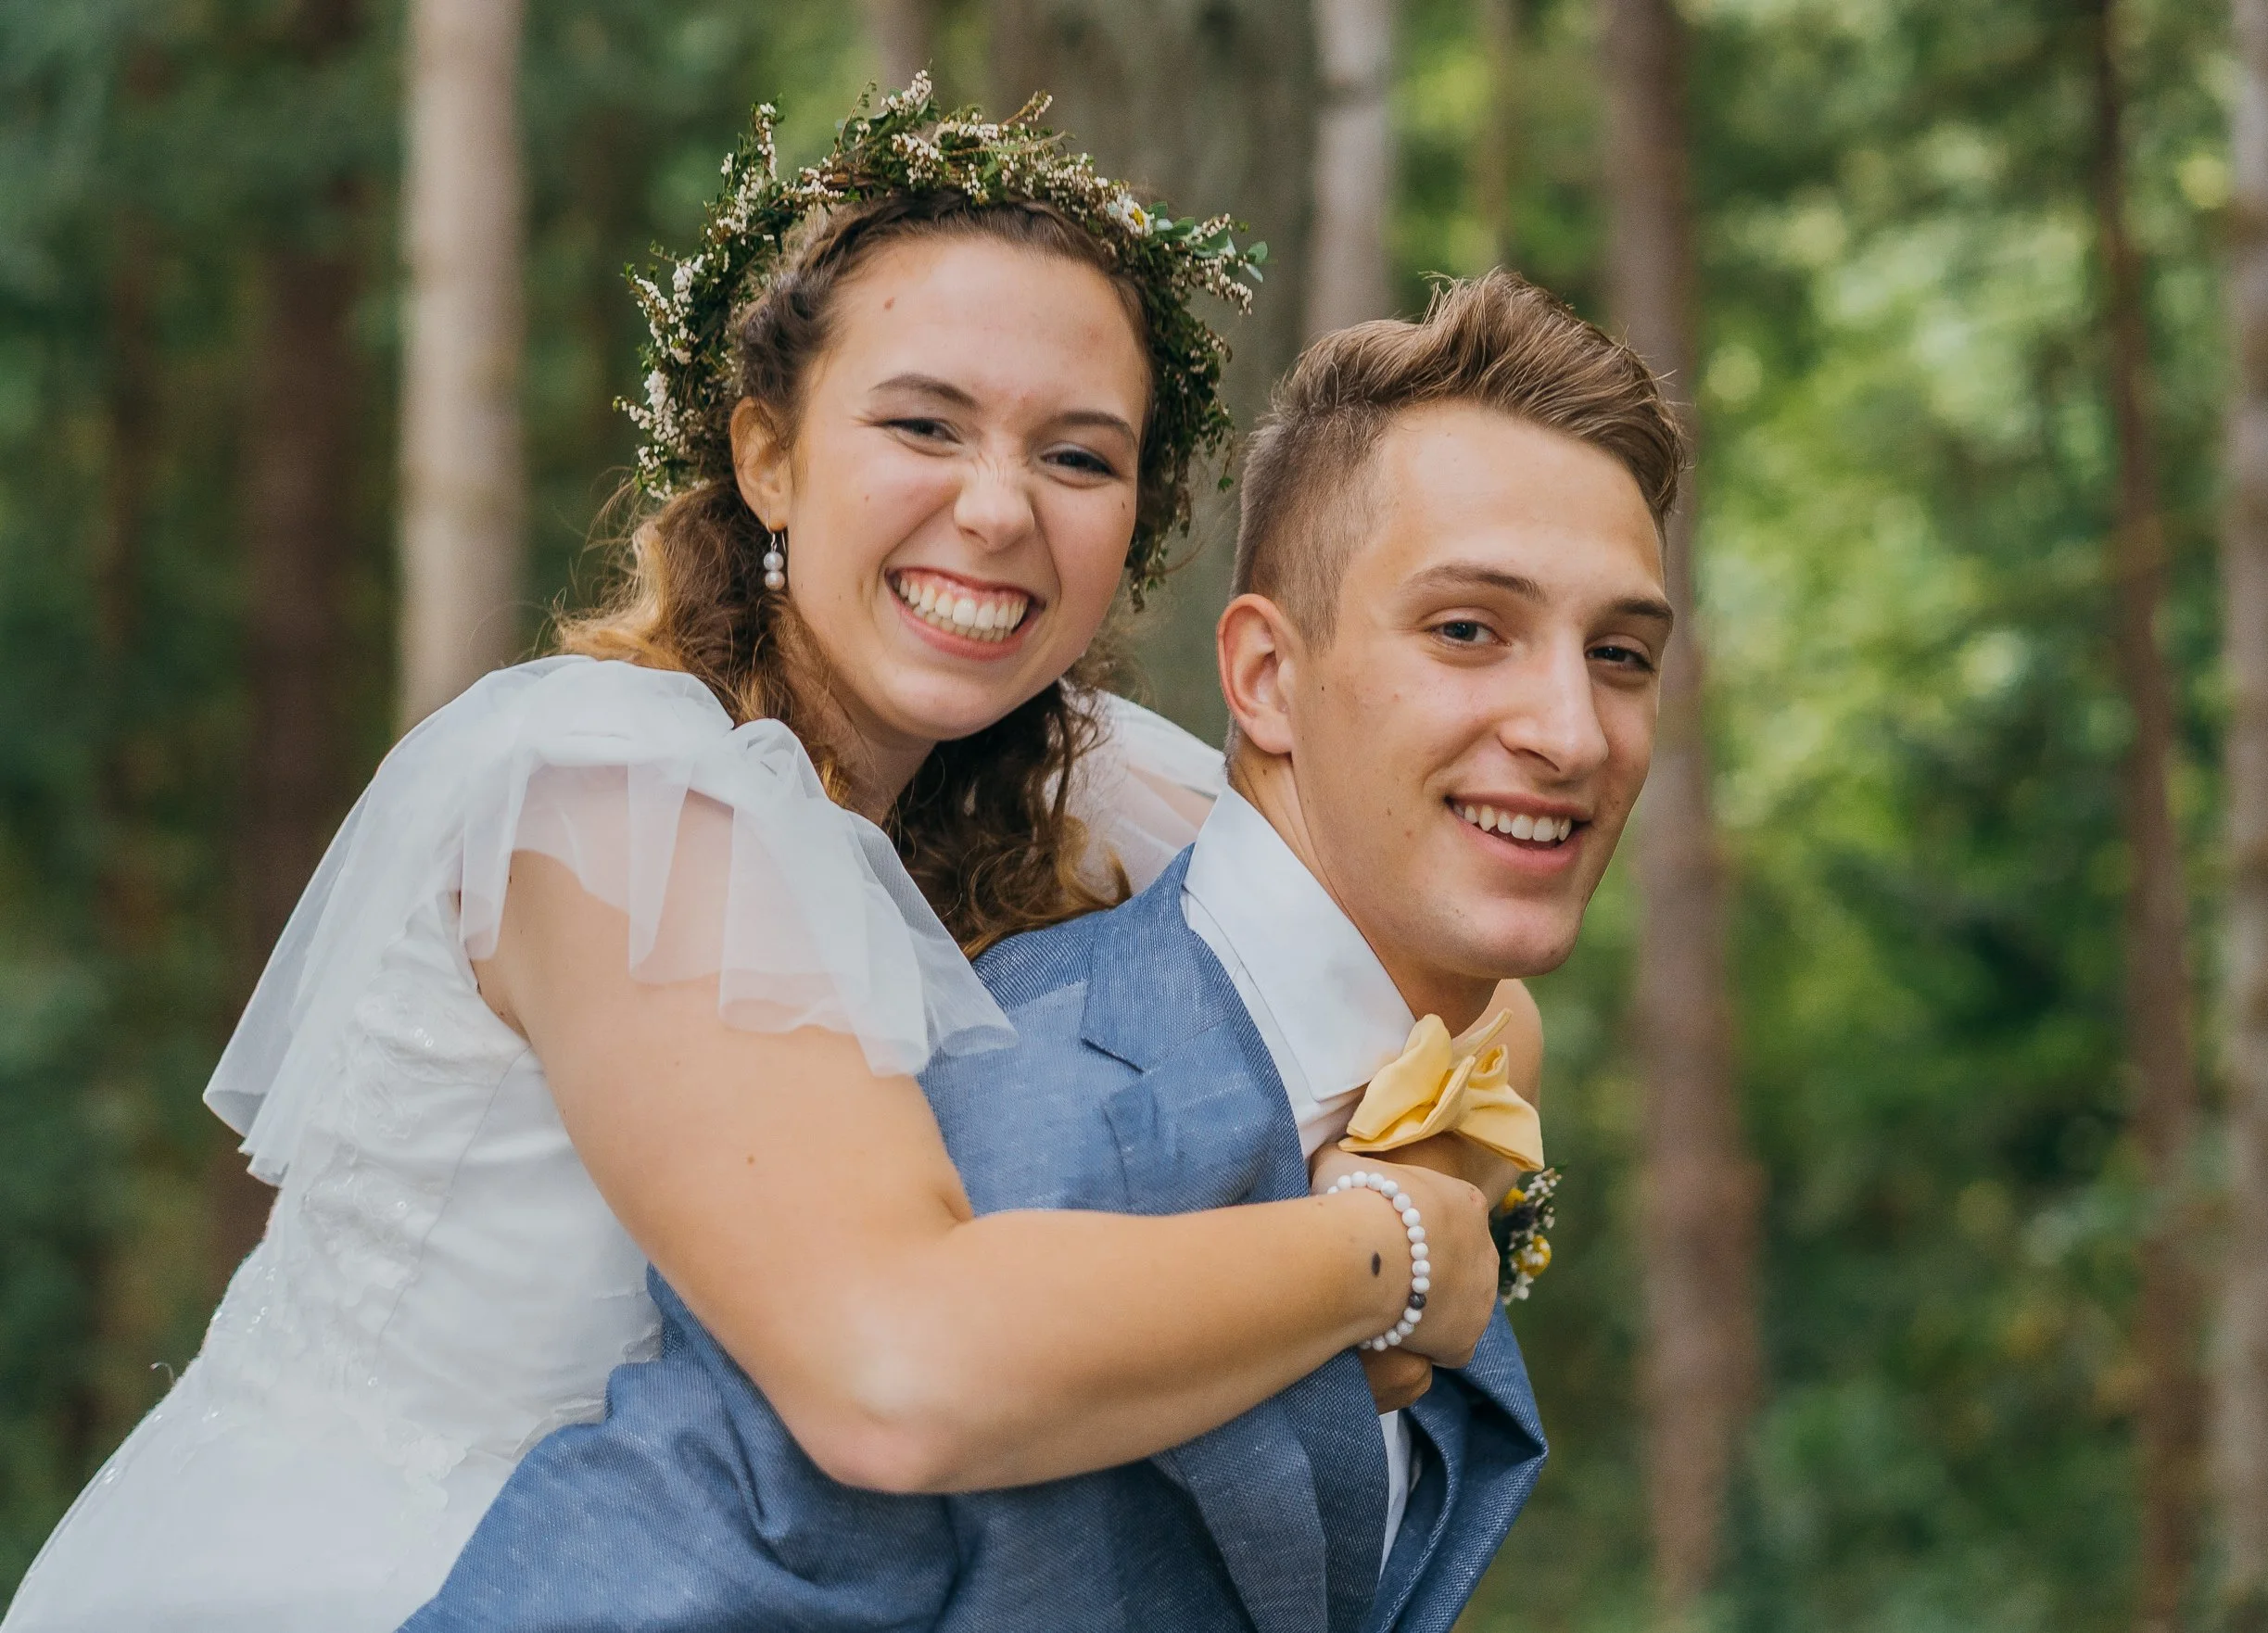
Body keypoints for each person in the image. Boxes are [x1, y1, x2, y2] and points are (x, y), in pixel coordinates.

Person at [1, 83, 1517, 1633]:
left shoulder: (1093, 783)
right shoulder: (615, 800)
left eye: (1077, 458)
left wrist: (1429, 1161)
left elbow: (1452, 970)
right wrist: (1381, 1254)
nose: (996, 509)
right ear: (768, 456)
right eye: (923, 425)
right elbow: (893, 1373)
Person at [400, 269, 1684, 1633]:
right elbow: (752, 1486)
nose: (1570, 730)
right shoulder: (992, 1104)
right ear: (1262, 680)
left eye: (1620, 654)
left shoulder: (1189, 885)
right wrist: (1400, 1251)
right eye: (1468, 629)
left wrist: (1427, 1169)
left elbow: (1465, 1005)